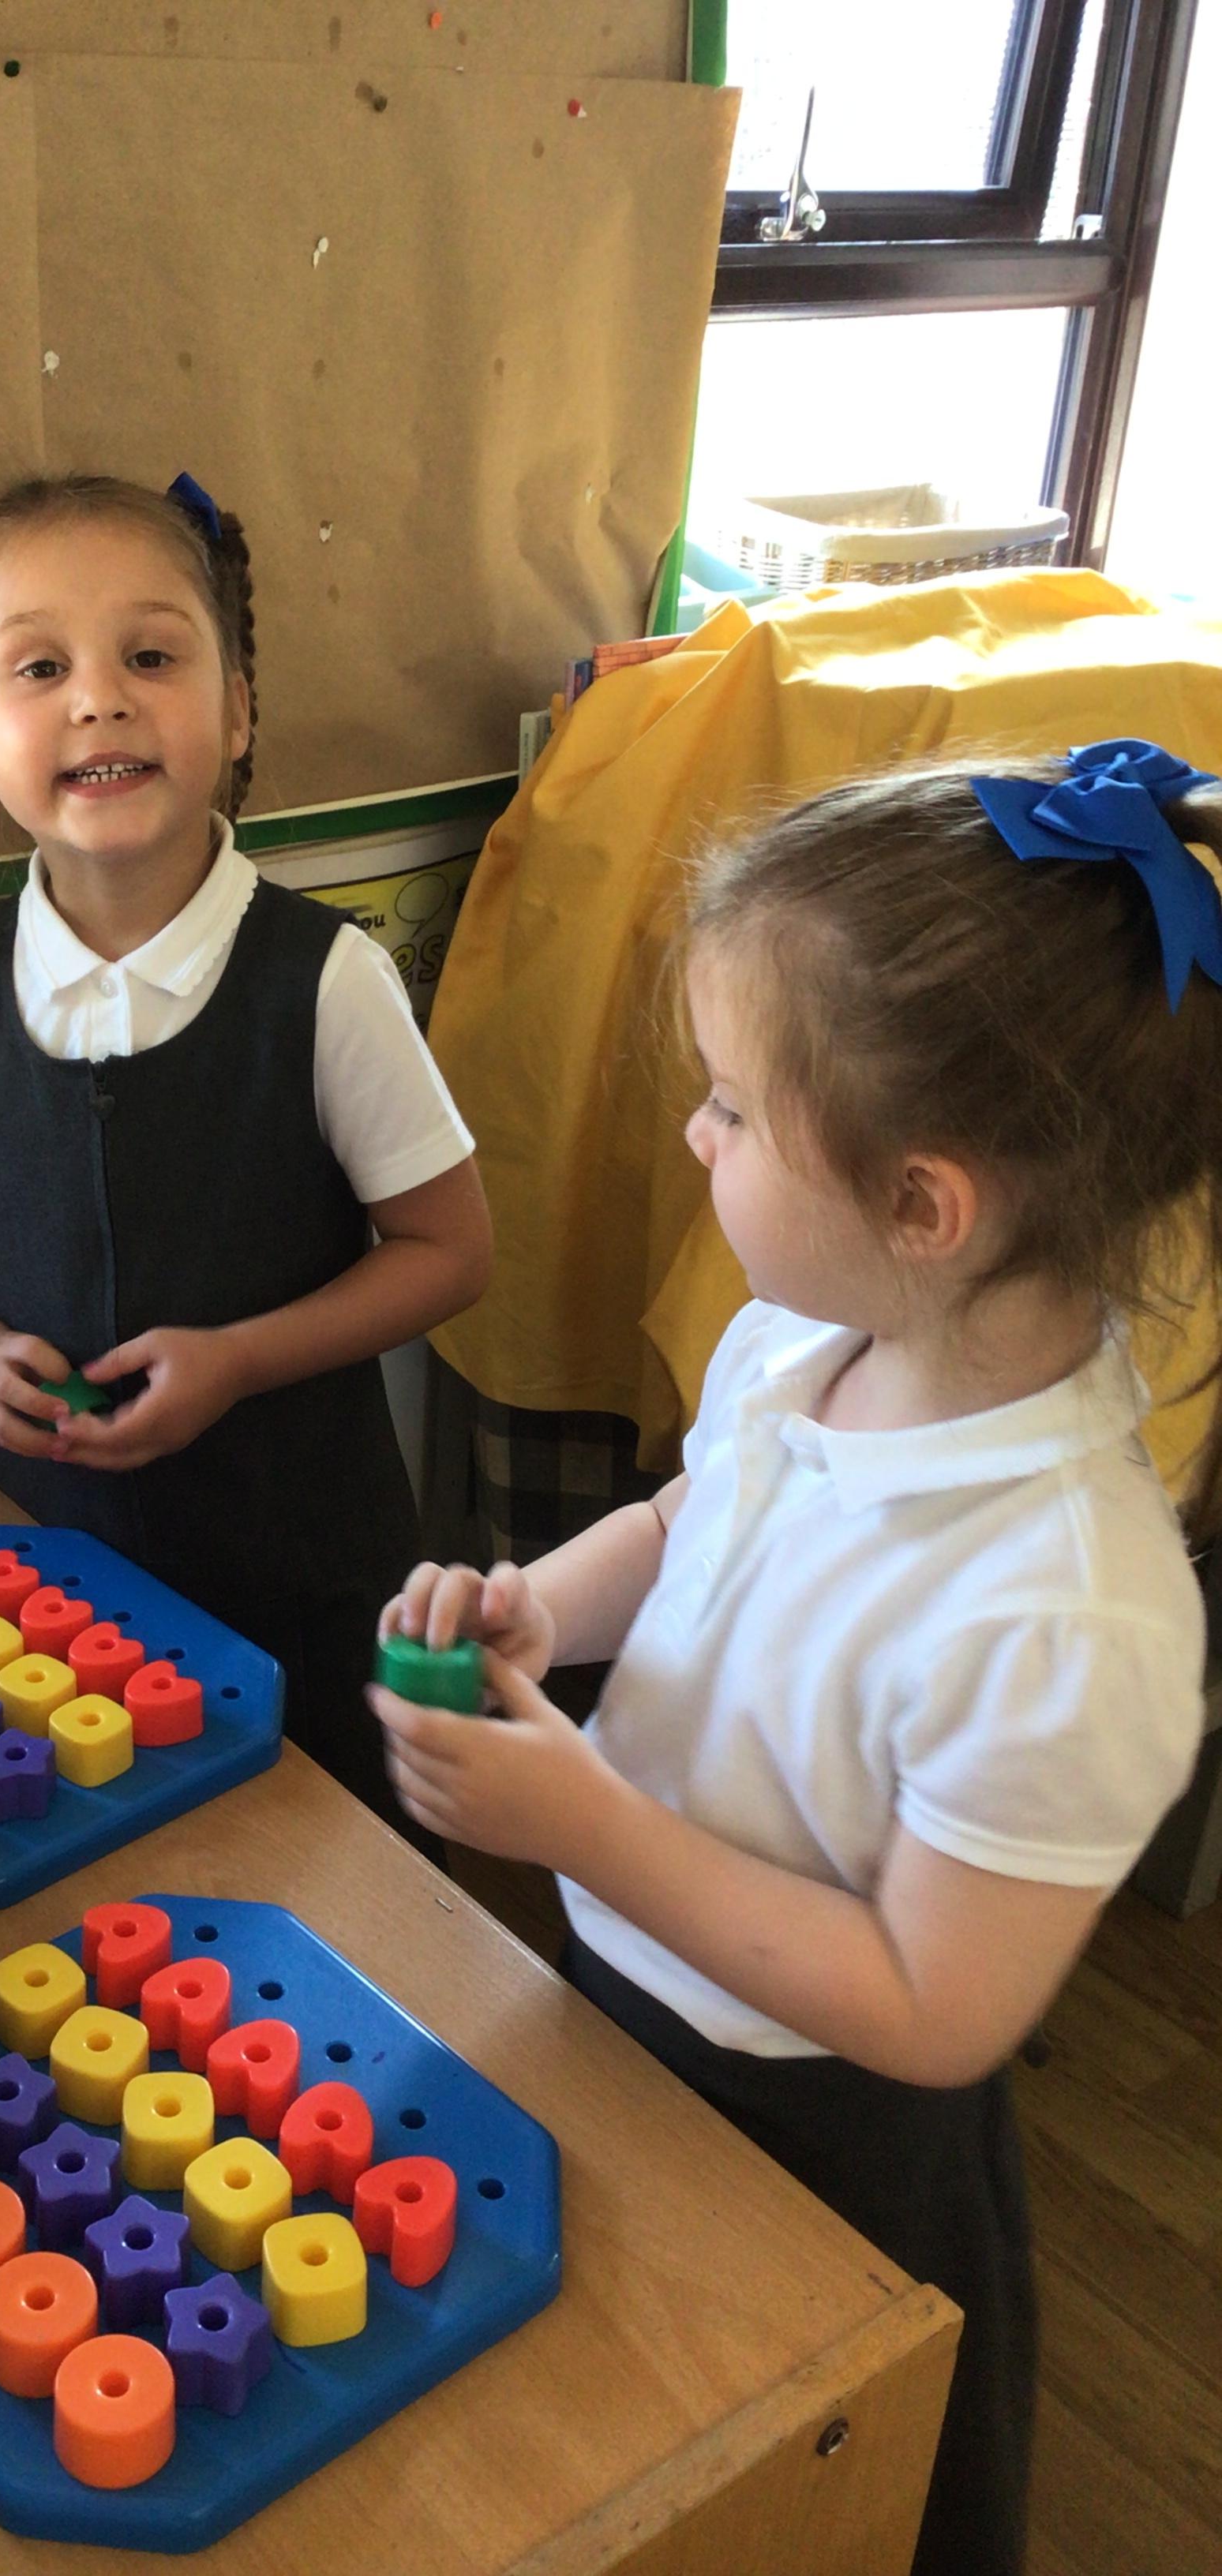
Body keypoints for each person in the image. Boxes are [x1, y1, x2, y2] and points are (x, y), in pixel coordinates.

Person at [371, 741, 1219, 2575]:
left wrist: (580, 1823)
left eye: (735, 1110)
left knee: (813, 2492)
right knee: (606, 2440)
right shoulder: (798, 1340)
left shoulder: (1066, 1614)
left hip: (823, 2119)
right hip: (623, 1996)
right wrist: (549, 1605)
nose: (700, 1139)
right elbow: (697, 1520)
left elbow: (930, 2007)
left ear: (925, 1205)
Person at [0, 470, 490, 1818]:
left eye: (150, 656)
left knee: (332, 1868)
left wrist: (239, 1360)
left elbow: (448, 1250)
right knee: (93, 1855)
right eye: (41, 668)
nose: (100, 699)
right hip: (53, 1579)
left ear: (237, 708)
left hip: (302, 1576)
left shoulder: (325, 982)